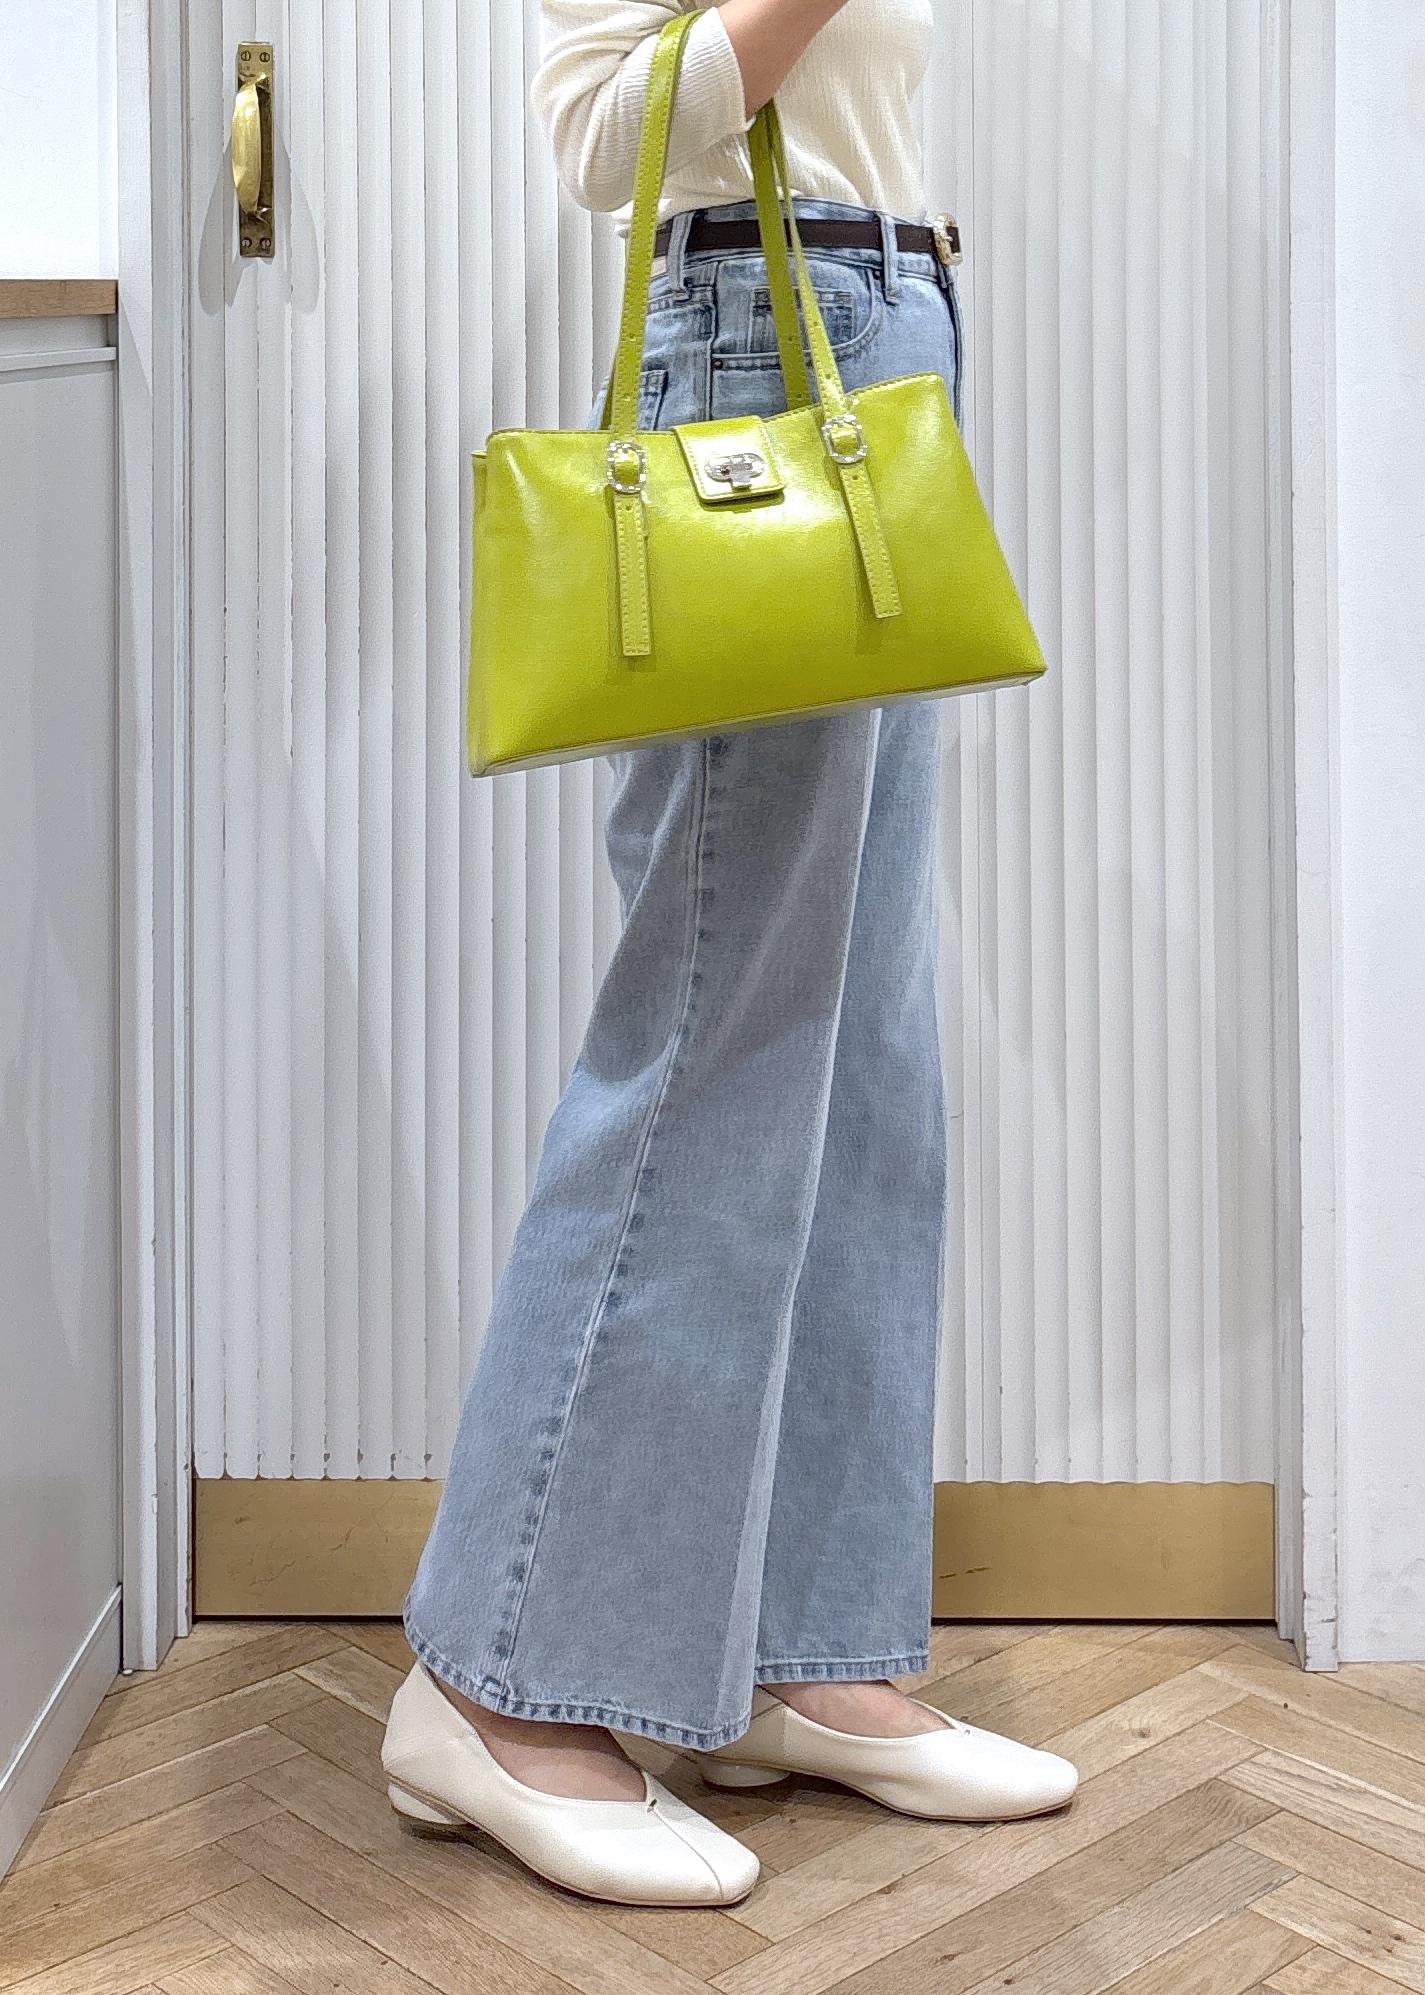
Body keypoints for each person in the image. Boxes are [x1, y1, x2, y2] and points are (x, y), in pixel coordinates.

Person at [382, 0, 1078, 1907]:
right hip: (764, 344)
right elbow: (610, 140)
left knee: (863, 1053)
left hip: (880, 332)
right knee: (715, 1032)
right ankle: (495, 1680)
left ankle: (796, 1648)